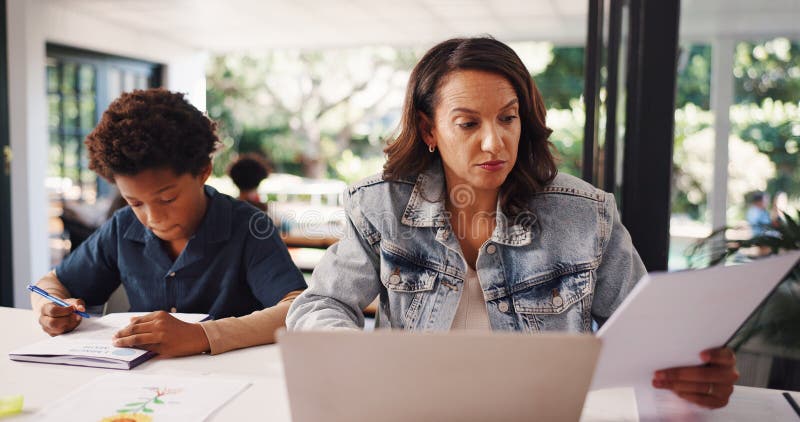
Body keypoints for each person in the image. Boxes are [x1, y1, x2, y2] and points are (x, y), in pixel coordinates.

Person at [287, 37, 738, 409]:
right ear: (428, 131)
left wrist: (694, 367)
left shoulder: (585, 214)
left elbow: (648, 337)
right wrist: (353, 358)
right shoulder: (380, 206)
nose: (494, 142)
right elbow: (320, 304)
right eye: (467, 124)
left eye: (508, 118)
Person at [32, 88, 307, 357]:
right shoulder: (123, 227)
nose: (153, 219)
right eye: (135, 202)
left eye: (167, 199)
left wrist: (202, 335)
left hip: (231, 379)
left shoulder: (248, 226)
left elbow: (297, 308)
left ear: (203, 172)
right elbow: (51, 283)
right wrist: (49, 307)